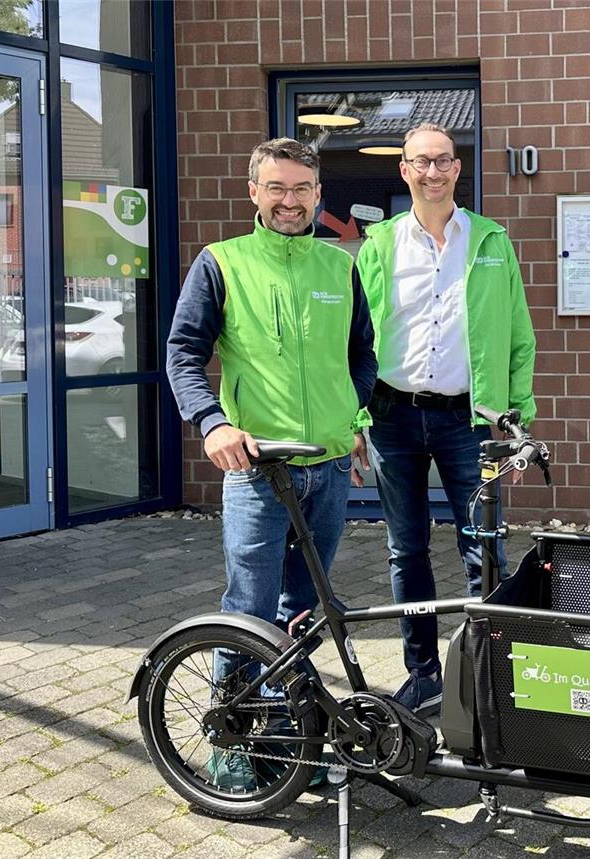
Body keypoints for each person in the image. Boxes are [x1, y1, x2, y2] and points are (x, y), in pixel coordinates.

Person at [166, 138, 377, 784]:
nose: (290, 201)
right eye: (278, 189)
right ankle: (231, 738)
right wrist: (212, 422)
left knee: (306, 607)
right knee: (248, 606)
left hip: (331, 465)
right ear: (254, 192)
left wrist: (356, 418)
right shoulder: (220, 264)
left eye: (302, 190)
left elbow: (361, 355)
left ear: (319, 195)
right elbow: (183, 353)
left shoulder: (340, 266)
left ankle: (287, 736)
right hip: (257, 468)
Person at [355, 122, 536, 717]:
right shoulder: (378, 244)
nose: (431, 172)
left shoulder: (489, 240)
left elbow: (519, 339)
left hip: (469, 421)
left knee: (483, 549)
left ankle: (489, 679)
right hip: (392, 417)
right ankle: (424, 673)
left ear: (457, 169)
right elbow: (357, 339)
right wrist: (355, 419)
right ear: (403, 170)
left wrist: (515, 424)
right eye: (419, 163)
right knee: (405, 550)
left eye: (442, 161)